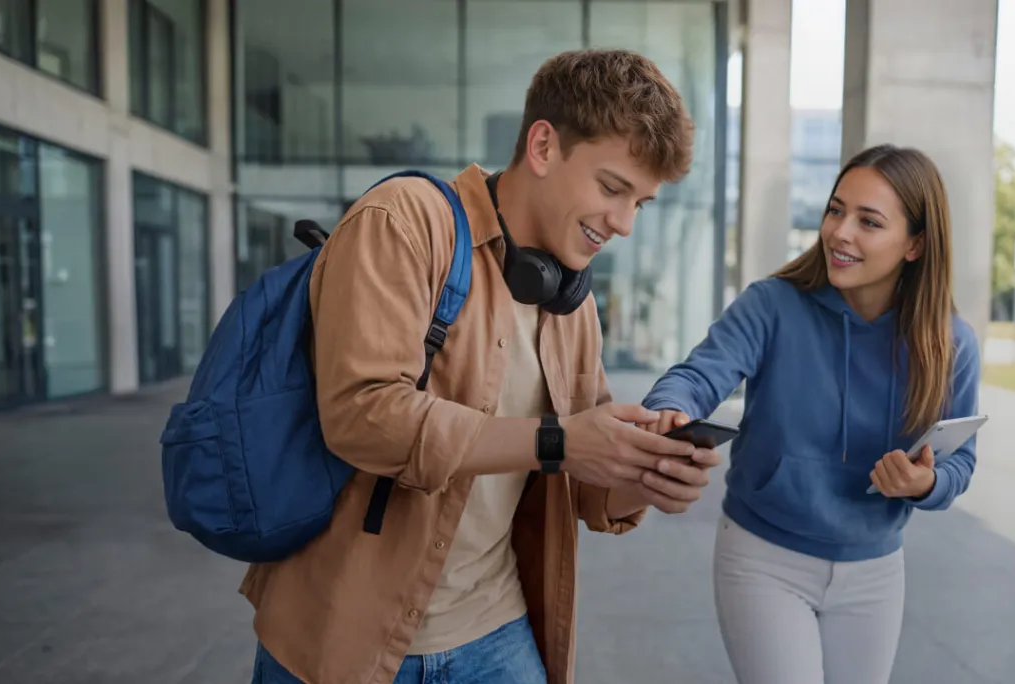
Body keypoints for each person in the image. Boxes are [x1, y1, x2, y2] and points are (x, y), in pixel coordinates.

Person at [245, 49, 720, 684]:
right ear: (544, 147)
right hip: (343, 637)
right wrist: (556, 442)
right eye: (612, 189)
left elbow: (586, 480)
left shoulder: (571, 302)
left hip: (495, 635)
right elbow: (363, 416)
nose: (625, 224)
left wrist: (649, 475)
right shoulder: (405, 222)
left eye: (642, 203)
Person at [638, 144, 982, 684]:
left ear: (915, 244)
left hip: (875, 570)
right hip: (763, 557)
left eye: (869, 221)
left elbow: (959, 465)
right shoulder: (771, 304)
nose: (840, 232)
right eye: (836, 210)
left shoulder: (950, 345)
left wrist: (924, 482)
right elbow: (698, 375)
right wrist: (672, 408)